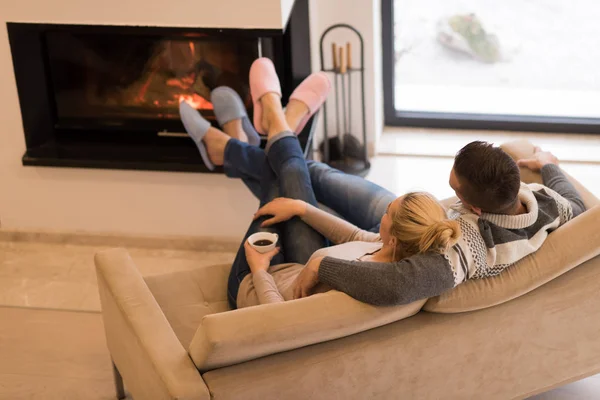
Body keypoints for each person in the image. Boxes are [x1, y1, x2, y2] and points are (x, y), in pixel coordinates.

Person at [183, 58, 587, 306]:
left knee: (301, 176)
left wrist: (322, 264)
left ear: (474, 208)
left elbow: (395, 286)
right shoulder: (549, 202)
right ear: (515, 180)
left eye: (457, 189)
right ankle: (267, 132)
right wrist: (549, 164)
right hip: (407, 216)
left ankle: (264, 127)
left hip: (406, 223)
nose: (454, 192)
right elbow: (581, 206)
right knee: (315, 174)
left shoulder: (464, 254)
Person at [180, 58, 461, 309]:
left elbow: (277, 319)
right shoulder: (390, 251)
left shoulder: (350, 284)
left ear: (396, 238)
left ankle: (264, 123)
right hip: (300, 267)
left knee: (282, 178)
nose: (383, 214)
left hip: (257, 285)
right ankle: (261, 131)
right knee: (292, 185)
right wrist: (302, 209)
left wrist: (260, 269)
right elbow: (354, 237)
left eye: (388, 213)